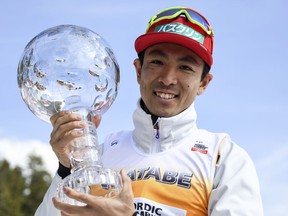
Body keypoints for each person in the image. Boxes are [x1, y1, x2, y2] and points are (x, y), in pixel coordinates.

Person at [35, 6, 263, 216]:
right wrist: (68, 170)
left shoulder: (223, 158)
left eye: (185, 67)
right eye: (157, 62)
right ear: (138, 70)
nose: (167, 79)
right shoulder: (103, 154)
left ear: (204, 83)